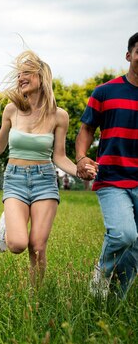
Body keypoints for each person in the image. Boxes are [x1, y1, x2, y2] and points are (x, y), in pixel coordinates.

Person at [0, 50, 96, 285]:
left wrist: (79, 171)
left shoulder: (59, 116)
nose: (21, 77)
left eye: (27, 73)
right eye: (19, 74)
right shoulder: (11, 110)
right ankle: (9, 222)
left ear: (41, 77)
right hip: (15, 179)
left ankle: (36, 295)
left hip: (44, 181)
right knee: (17, 244)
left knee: (37, 246)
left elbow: (59, 157)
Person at [77, 32, 138, 300]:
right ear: (129, 55)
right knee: (124, 234)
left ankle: (114, 301)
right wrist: (81, 158)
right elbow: (87, 128)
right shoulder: (105, 92)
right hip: (112, 177)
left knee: (136, 247)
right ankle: (101, 275)